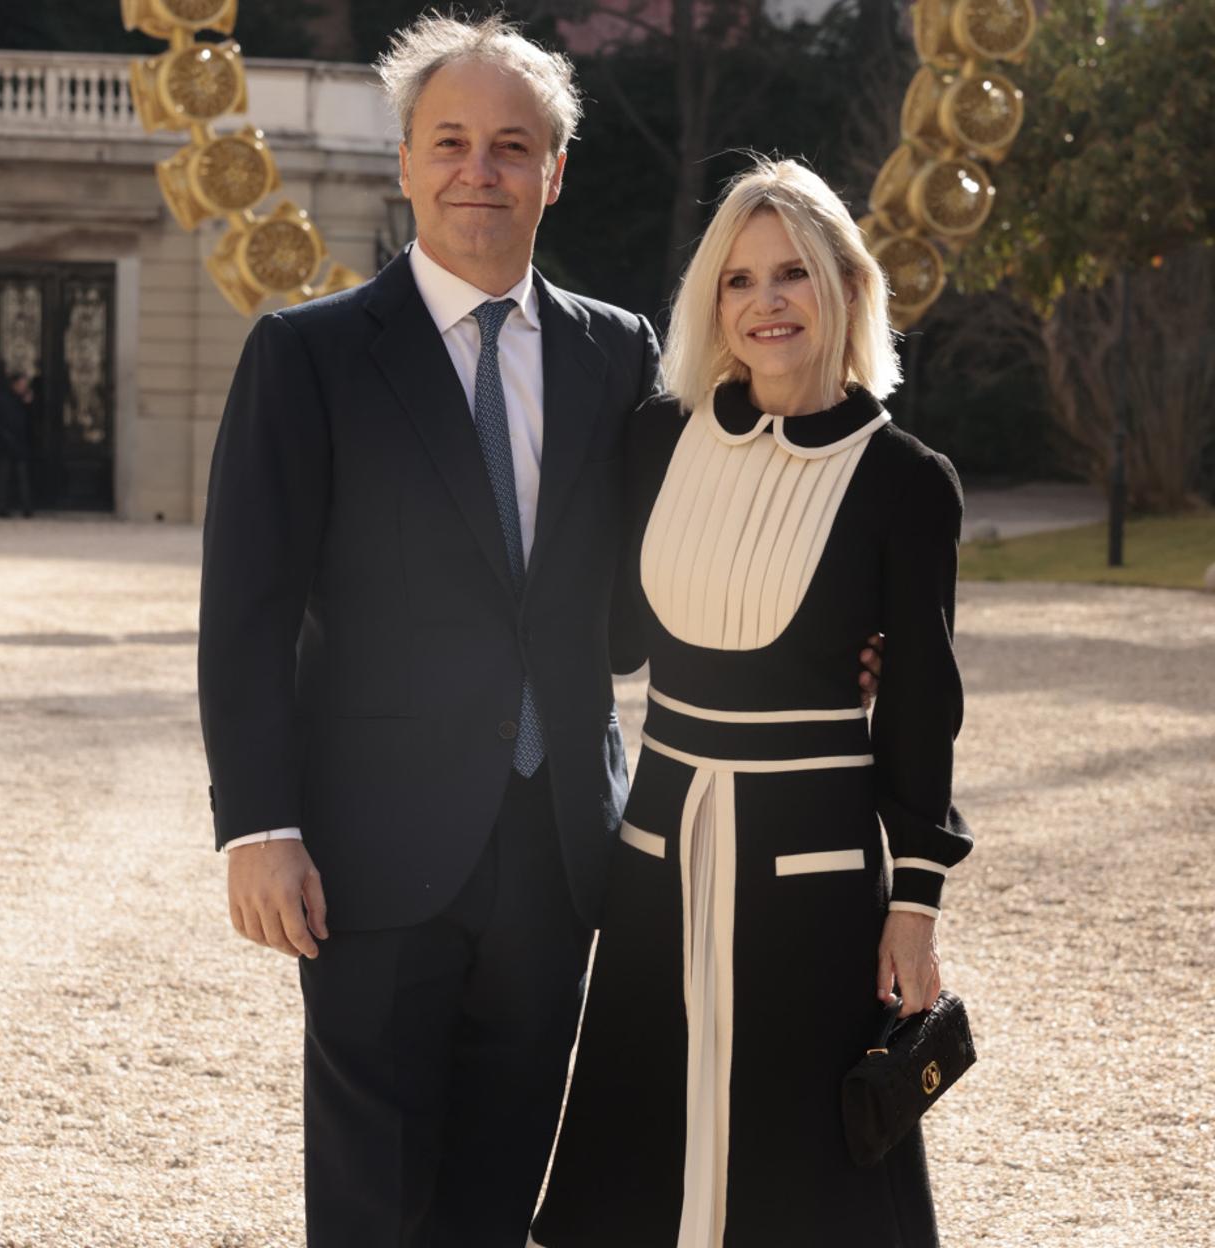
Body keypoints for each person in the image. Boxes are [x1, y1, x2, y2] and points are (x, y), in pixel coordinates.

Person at [199, 18, 883, 1248]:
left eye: (512, 146)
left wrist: (830, 641)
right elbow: (243, 611)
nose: (481, 170)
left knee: (503, 1188)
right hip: (368, 859)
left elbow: (668, 584)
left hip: (561, 850)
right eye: (451, 142)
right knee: (371, 1201)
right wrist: (259, 828)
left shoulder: (620, 355)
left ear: (554, 172)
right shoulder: (307, 356)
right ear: (406, 162)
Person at [530, 158, 973, 1248]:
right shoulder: (657, 439)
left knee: (805, 1163)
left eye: (793, 273)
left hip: (814, 868)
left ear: (847, 287)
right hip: (658, 850)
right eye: (738, 279)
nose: (765, 302)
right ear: (711, 301)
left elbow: (923, 705)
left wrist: (915, 903)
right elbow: (618, 639)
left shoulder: (906, 480)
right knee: (640, 1143)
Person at [0, 372, 34, 518]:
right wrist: (4, 437)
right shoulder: (2, 399)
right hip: (5, 445)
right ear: (14, 384)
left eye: (25, 385)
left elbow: (30, 422)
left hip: (20, 444)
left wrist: (28, 405)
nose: (24, 387)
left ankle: (27, 508)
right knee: (4, 477)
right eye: (22, 384)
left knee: (23, 477)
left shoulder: (24, 401)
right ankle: (1, 508)